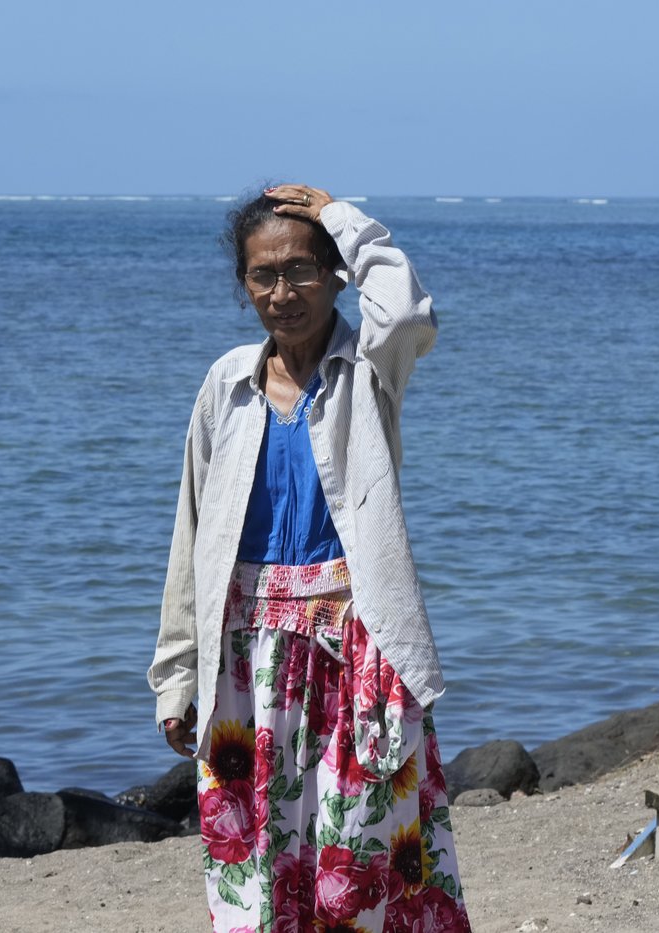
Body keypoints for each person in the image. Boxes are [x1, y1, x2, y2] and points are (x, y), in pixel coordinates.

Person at [148, 183, 471, 933]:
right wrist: (176, 674)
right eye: (263, 275)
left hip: (356, 648)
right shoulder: (225, 387)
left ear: (335, 277)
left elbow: (407, 308)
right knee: (256, 865)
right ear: (244, 285)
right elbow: (190, 536)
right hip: (243, 662)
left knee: (354, 871)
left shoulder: (368, 370)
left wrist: (339, 217)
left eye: (300, 270)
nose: (283, 291)